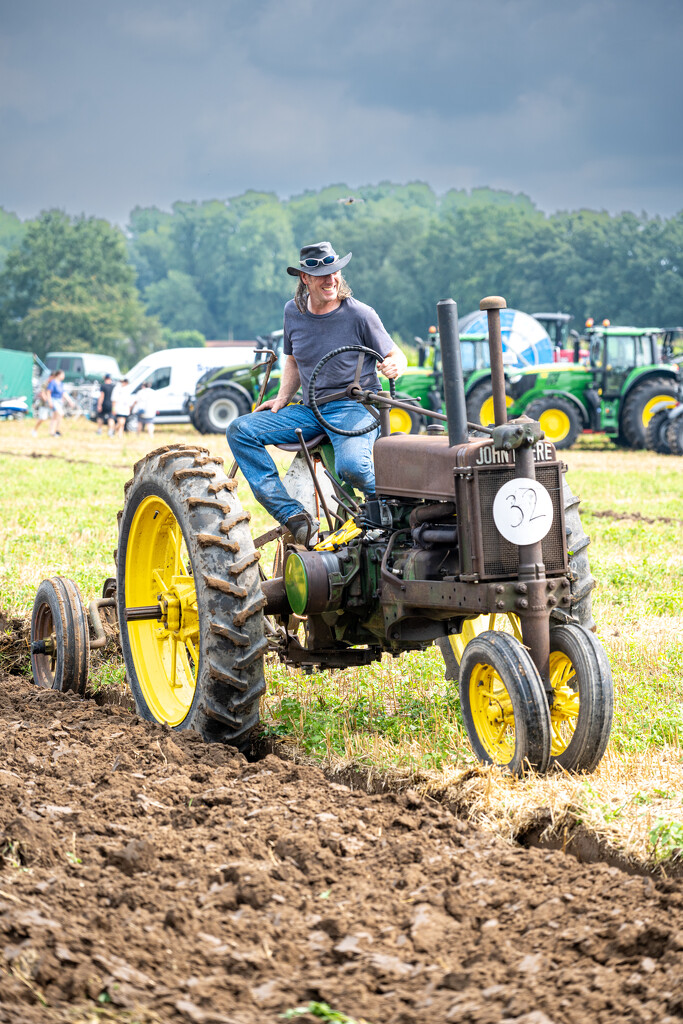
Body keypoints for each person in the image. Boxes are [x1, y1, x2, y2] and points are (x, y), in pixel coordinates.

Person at [227, 241, 407, 545]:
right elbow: (294, 360)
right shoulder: (292, 312)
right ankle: (293, 516)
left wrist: (393, 365)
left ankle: (394, 511)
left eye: (334, 272)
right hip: (311, 410)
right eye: (322, 274)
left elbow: (396, 355)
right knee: (241, 430)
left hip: (353, 407)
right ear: (304, 279)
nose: (331, 279)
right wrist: (283, 397)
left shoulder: (361, 314)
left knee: (352, 467)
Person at [47, 369, 75, 437]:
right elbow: (48, 392)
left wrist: (70, 400)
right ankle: (57, 430)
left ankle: (52, 432)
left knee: (54, 417)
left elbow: (63, 393)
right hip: (54, 400)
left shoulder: (61, 383)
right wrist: (50, 401)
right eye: (63, 375)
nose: (63, 376)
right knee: (61, 414)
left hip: (59, 401)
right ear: (58, 375)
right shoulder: (53, 382)